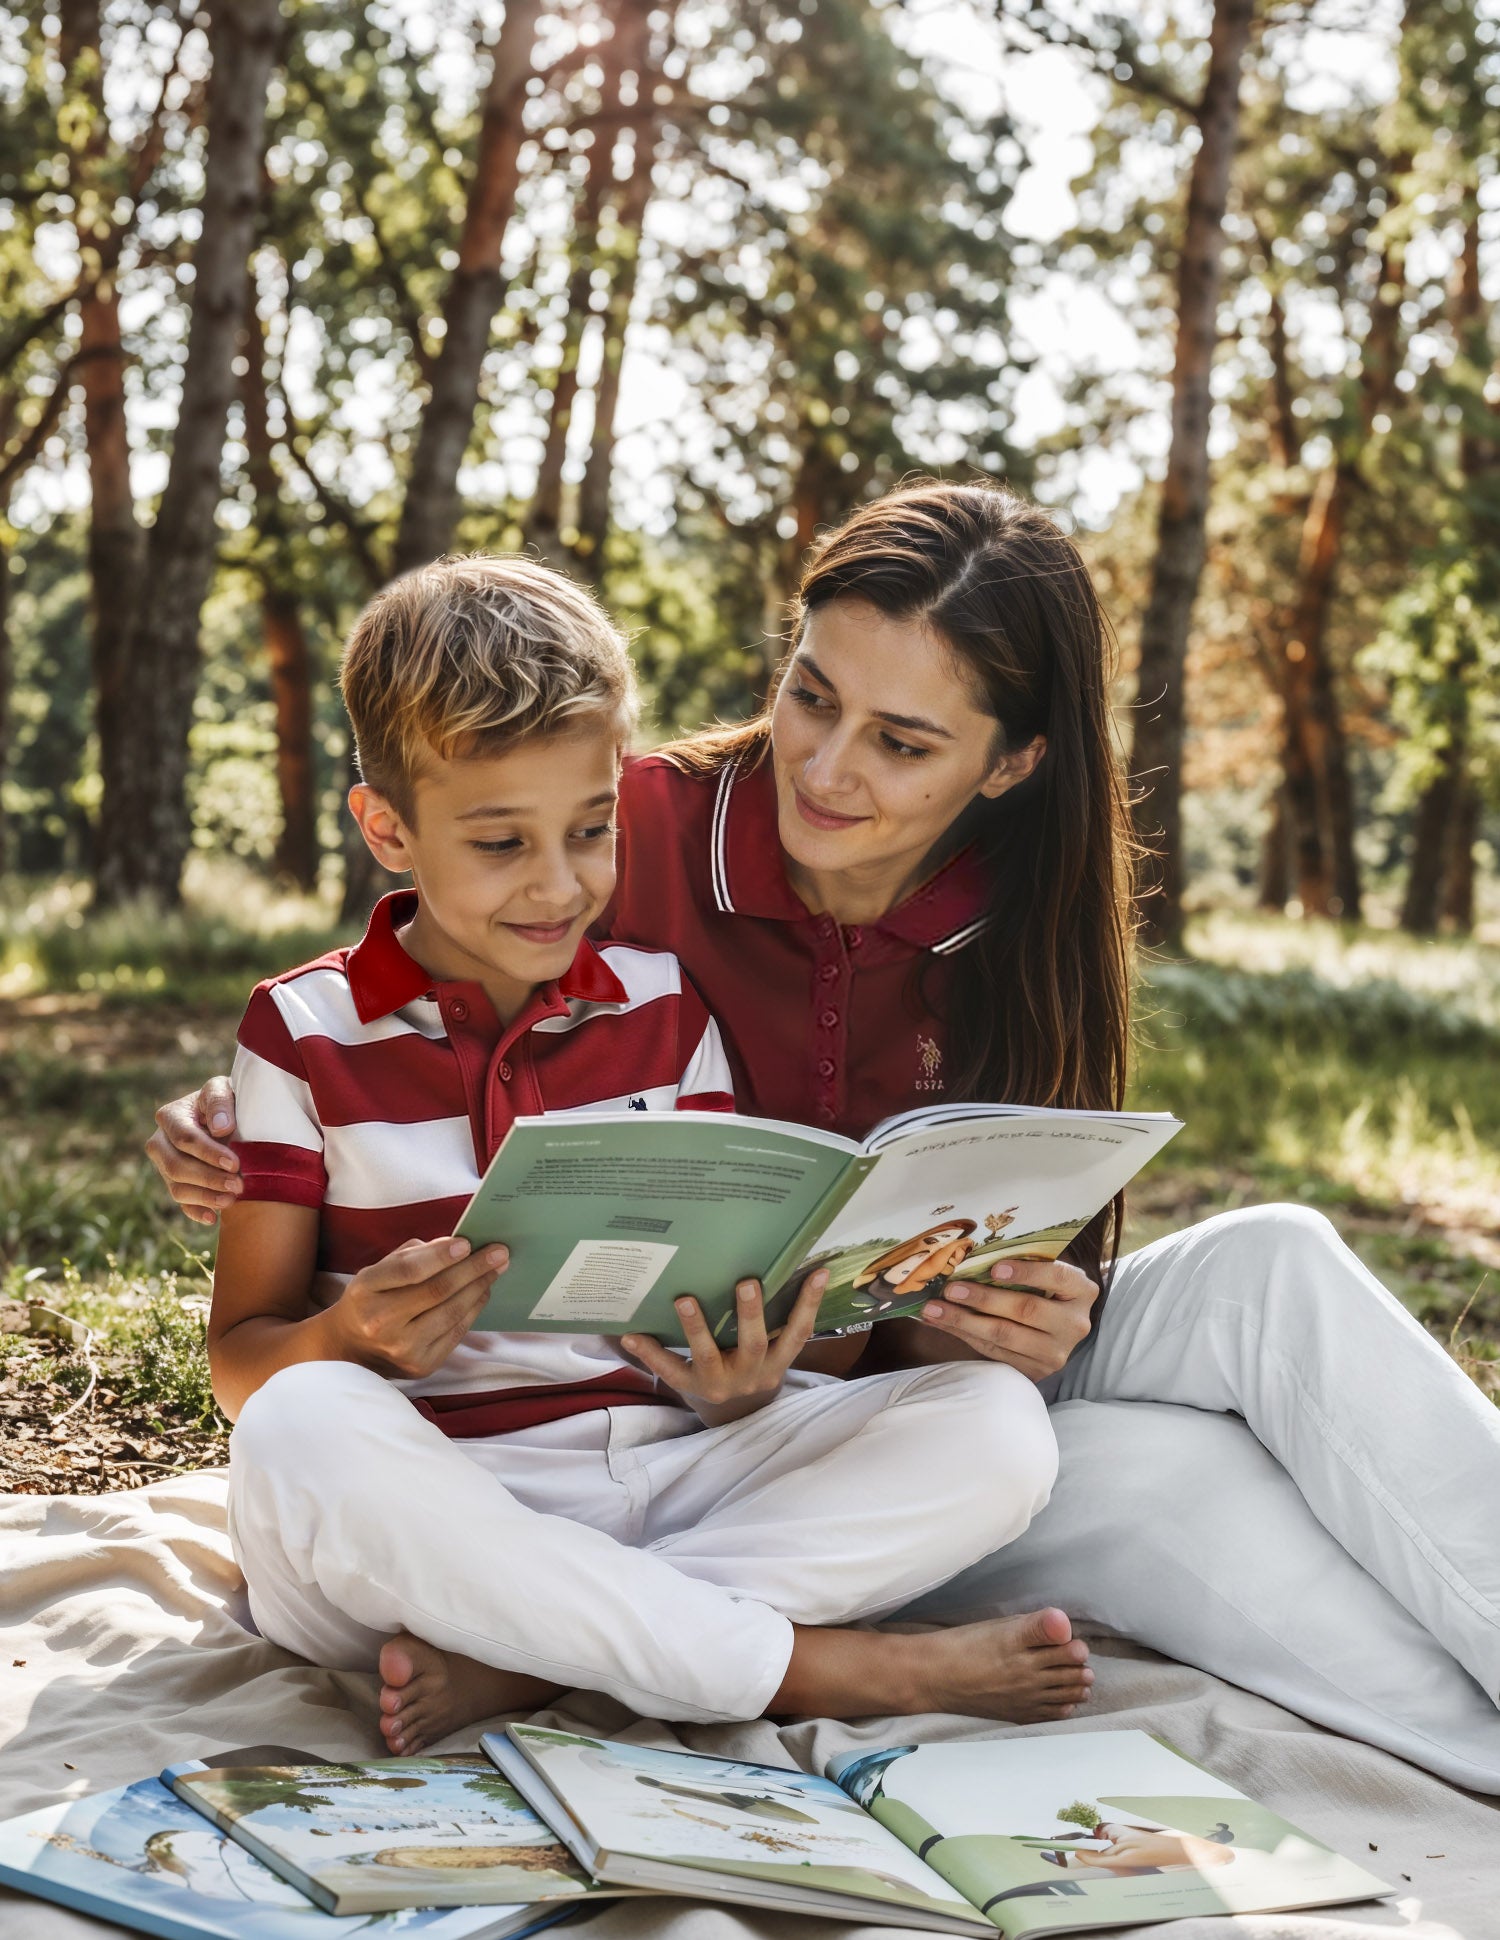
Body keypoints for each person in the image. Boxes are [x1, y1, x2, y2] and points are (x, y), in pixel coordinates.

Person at [150, 483, 1500, 1790]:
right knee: (1175, 1477)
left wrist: (1027, 1321)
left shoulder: (1026, 923)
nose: (828, 767)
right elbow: (424, 934)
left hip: (803, 1408)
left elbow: (937, 1337)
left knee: (1272, 1263)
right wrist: (249, 1121)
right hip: (661, 1435)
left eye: (904, 744)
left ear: (1013, 764)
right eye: (811, 695)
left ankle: (544, 1649)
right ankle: (756, 1657)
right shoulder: (636, 828)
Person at [206, 551, 1083, 1754]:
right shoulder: (299, 1031)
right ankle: (820, 1664)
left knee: (995, 1425)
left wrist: (741, 1380)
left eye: (592, 829)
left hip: (661, 1474)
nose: (560, 886)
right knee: (301, 1424)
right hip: (428, 1504)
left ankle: (525, 1661)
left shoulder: (666, 1004)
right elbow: (244, 1363)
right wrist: (345, 1339)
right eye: (502, 843)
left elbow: (718, 1307)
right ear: (387, 829)